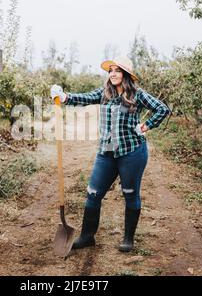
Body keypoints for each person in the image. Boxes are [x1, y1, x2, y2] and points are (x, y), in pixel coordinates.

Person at [50, 56, 170, 252]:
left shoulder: (137, 95)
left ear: (126, 75)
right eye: (110, 70)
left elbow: (162, 109)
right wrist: (64, 97)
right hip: (106, 153)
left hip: (132, 152)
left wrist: (147, 125)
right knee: (93, 193)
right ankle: (87, 236)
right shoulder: (105, 93)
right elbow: (85, 98)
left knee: (130, 194)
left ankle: (128, 239)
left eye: (117, 70)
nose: (113, 74)